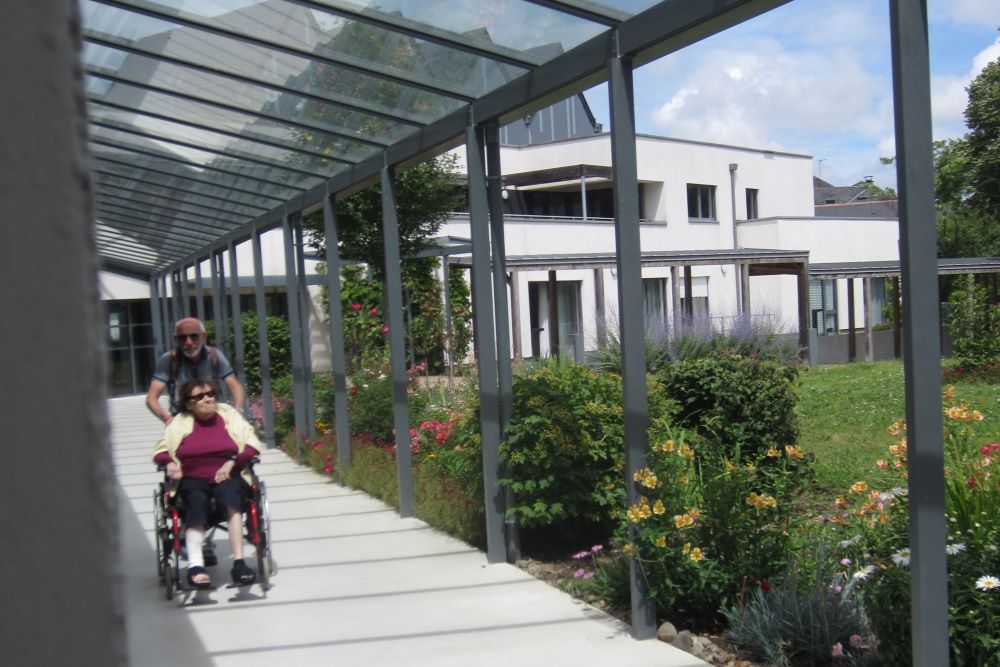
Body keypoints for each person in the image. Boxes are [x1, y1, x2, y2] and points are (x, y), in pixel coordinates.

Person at [152, 378, 261, 588]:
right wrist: (169, 463)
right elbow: (161, 449)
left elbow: (251, 442)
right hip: (192, 477)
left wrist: (233, 462)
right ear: (189, 403)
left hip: (228, 473)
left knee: (231, 497)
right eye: (200, 396)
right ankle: (195, 565)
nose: (208, 398)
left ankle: (239, 563)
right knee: (195, 500)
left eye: (211, 394)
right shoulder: (180, 421)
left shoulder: (227, 413)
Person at [146, 317, 245, 425]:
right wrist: (167, 419)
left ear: (204, 337)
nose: (188, 342)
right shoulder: (168, 360)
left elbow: (236, 387)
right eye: (183, 337)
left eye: (194, 336)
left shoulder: (215, 356)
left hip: (212, 418)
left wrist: (237, 412)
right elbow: (151, 397)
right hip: (182, 419)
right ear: (176, 339)